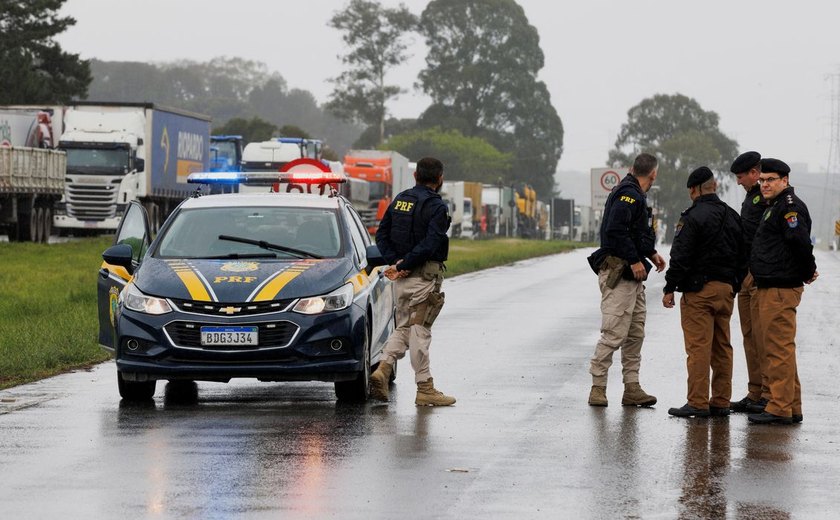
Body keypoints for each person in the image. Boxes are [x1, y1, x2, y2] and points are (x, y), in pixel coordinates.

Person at [369, 157, 456, 407]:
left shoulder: (400, 200)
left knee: (404, 328)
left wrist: (396, 262)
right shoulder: (437, 208)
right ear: (439, 179)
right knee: (420, 331)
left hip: (400, 280)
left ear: (415, 175)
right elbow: (431, 243)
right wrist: (405, 264)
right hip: (423, 279)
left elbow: (382, 234)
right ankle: (425, 387)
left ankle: (383, 369)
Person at [662, 167, 745, 418]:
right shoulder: (732, 216)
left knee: (698, 348)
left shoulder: (692, 216)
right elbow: (744, 255)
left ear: (693, 189)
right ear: (715, 186)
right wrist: (735, 285)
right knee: (722, 347)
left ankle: (697, 402)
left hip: (699, 292)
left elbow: (680, 256)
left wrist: (669, 287)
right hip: (726, 291)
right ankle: (721, 401)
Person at [586, 153, 666, 407]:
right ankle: (597, 387)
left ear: (633, 168)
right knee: (613, 332)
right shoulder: (628, 194)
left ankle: (632, 387)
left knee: (635, 334)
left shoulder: (636, 194)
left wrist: (651, 254)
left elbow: (635, 232)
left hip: (632, 277)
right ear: (654, 174)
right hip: (620, 272)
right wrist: (634, 259)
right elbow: (615, 230)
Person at [747, 158, 818, 424]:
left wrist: (808, 270)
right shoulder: (774, 206)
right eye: (762, 180)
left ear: (784, 181)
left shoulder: (789, 207)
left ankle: (778, 407)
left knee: (777, 350)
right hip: (771, 284)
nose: (764, 184)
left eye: (770, 180)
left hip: (780, 287)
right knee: (781, 350)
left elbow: (799, 242)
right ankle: (792, 405)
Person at [728, 151, 770, 414]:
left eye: (741, 176)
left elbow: (763, 238)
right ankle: (755, 391)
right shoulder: (750, 198)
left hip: (758, 275)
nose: (739, 181)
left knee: (763, 338)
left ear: (754, 173)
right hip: (745, 275)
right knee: (749, 337)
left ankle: (768, 394)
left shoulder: (765, 197)